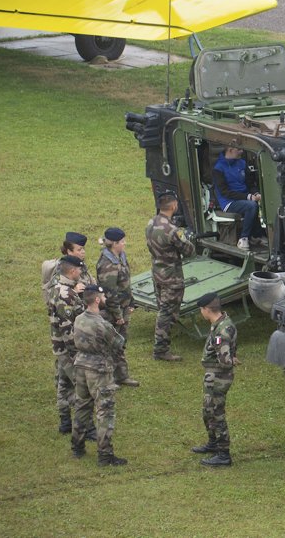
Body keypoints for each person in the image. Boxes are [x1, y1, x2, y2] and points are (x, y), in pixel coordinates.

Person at [71, 284, 127, 466]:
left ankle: (77, 447)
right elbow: (119, 342)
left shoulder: (79, 318)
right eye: (102, 297)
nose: (104, 300)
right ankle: (105, 455)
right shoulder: (102, 324)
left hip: (80, 366)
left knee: (82, 406)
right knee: (105, 411)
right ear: (96, 299)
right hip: (99, 370)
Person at [147, 193, 195, 362]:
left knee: (163, 309)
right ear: (174, 206)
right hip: (172, 277)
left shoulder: (151, 222)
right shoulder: (172, 230)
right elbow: (189, 251)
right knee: (167, 313)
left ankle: (161, 346)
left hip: (157, 273)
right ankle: (161, 349)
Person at [192, 291, 237, 467]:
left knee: (216, 413)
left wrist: (231, 359)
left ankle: (223, 454)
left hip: (219, 376)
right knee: (207, 411)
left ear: (206, 309)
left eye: (200, 310)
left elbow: (225, 361)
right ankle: (213, 443)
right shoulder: (219, 323)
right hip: (213, 375)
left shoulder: (222, 330)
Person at [96, 227, 139, 387]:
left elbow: (125, 284)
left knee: (120, 343)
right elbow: (110, 294)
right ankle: (108, 379)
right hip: (114, 311)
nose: (125, 243)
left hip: (124, 307)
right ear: (114, 244)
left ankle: (121, 376)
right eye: (122, 242)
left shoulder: (119, 256)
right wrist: (118, 316)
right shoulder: (108, 265)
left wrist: (131, 302)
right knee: (110, 345)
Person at [50, 255, 88, 436]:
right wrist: (77, 354)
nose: (81, 272)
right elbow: (68, 329)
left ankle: (65, 423)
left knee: (63, 385)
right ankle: (86, 429)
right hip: (69, 350)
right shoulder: (66, 295)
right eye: (79, 269)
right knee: (82, 389)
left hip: (60, 349)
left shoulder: (58, 287)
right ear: (72, 271)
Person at [213, 145, 262, 251]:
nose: (241, 151)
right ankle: (243, 238)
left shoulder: (242, 163)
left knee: (253, 204)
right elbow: (225, 192)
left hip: (245, 198)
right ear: (230, 150)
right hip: (228, 202)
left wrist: (256, 193)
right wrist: (248, 197)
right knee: (251, 206)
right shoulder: (218, 168)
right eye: (239, 149)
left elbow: (250, 183)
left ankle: (253, 235)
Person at [42, 231, 91, 304]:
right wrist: (74, 291)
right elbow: (55, 293)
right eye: (79, 250)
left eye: (83, 248)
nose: (83, 252)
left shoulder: (80, 264)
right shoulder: (61, 269)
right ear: (69, 251)